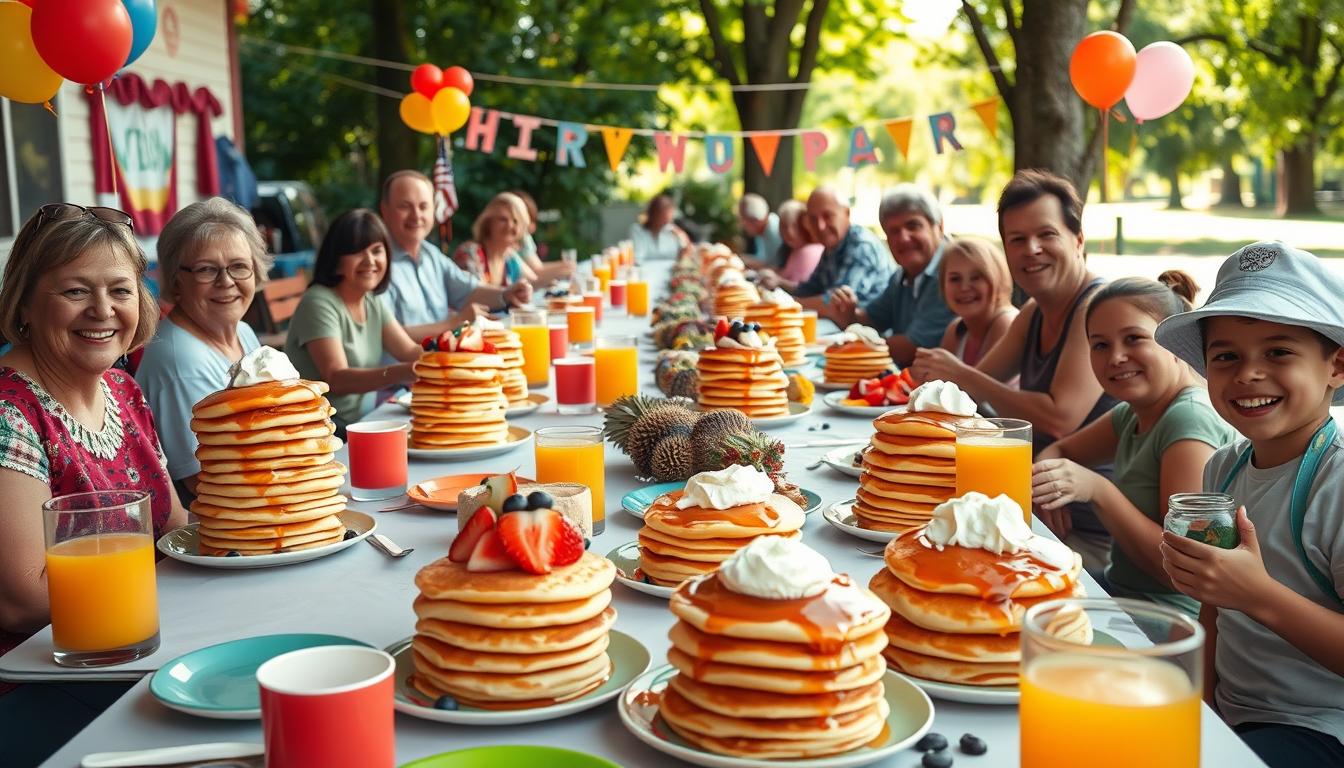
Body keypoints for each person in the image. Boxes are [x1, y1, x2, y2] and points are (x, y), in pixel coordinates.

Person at [0, 204, 188, 763]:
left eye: (121, 291)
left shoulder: (122, 390)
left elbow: (175, 528)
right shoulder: (10, 410)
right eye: (76, 291)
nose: (102, 311)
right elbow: (21, 599)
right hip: (39, 684)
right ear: (25, 302)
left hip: (138, 651)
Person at [1154, 242, 1344, 768]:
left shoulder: (1337, 483)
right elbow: (1213, 609)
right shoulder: (1222, 469)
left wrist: (1259, 595)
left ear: (1337, 364)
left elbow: (1243, 596)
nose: (1248, 373)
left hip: (1318, 728)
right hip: (1232, 712)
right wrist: (1199, 698)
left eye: (1278, 352)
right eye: (1227, 356)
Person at [911, 170, 1117, 573]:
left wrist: (960, 374)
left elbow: (1060, 416)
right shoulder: (1034, 313)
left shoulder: (1096, 305)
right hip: (1036, 508)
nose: (1032, 249)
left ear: (1078, 240)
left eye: (1046, 234)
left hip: (1091, 535)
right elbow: (966, 401)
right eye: (1017, 240)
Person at [1030, 273, 1235, 617]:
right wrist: (1052, 485)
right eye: (1100, 345)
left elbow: (1184, 570)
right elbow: (1060, 450)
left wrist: (1098, 490)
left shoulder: (1187, 419)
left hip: (1169, 616)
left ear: (1176, 343)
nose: (1116, 357)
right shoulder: (1133, 412)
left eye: (1134, 339)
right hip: (1119, 591)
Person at [136, 198, 273, 505]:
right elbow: (206, 482)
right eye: (206, 270)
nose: (226, 282)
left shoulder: (243, 332)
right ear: (176, 279)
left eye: (239, 267)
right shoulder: (181, 361)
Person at [285, 209, 424, 435]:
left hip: (366, 412)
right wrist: (404, 372)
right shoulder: (318, 302)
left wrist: (452, 356)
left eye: (377, 251)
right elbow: (337, 378)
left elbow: (408, 350)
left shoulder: (370, 299)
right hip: (326, 425)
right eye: (357, 252)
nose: (370, 260)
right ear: (336, 260)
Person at [379, 171, 530, 341]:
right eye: (405, 206)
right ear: (385, 210)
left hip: (443, 362)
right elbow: (388, 337)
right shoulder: (376, 264)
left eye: (423, 206)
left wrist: (507, 294)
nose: (416, 216)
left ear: (433, 210)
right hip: (407, 366)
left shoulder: (431, 254)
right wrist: (455, 322)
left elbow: (469, 292)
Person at [827, 185, 956, 366]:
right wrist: (848, 313)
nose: (903, 238)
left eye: (913, 225)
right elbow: (872, 320)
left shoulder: (952, 274)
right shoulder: (902, 275)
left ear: (939, 226)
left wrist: (851, 344)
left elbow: (909, 350)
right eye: (894, 231)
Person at [787, 187, 894, 321]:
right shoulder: (832, 246)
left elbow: (836, 303)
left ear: (847, 213)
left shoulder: (861, 246)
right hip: (843, 328)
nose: (820, 226)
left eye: (828, 216)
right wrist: (778, 288)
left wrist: (789, 303)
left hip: (872, 334)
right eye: (813, 219)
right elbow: (810, 288)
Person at [452, 193, 574, 288]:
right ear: (488, 223)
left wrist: (561, 274)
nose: (510, 226)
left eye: (516, 221)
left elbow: (532, 282)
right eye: (503, 219)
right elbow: (475, 294)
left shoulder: (509, 257)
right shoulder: (470, 252)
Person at [935, 237, 1017, 366]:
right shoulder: (956, 329)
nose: (964, 287)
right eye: (955, 279)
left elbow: (982, 384)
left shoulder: (1006, 322)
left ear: (998, 278)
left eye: (976, 277)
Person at [756, 200, 823, 291]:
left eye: (795, 226)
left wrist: (778, 281)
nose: (789, 232)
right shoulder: (789, 249)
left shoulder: (810, 251)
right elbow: (781, 272)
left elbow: (802, 289)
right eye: (784, 226)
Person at [629, 193, 690, 261]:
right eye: (661, 217)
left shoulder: (673, 232)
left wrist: (681, 236)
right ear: (652, 214)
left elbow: (685, 253)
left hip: (670, 270)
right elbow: (638, 257)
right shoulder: (638, 230)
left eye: (668, 218)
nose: (665, 222)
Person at [738, 193, 783, 269]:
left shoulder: (775, 232)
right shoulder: (761, 231)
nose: (742, 225)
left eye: (743, 219)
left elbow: (775, 267)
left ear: (755, 221)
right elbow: (761, 258)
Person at [510, 188, 544, 271]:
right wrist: (567, 266)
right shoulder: (508, 245)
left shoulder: (523, 239)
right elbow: (537, 271)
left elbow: (538, 269)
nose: (533, 226)